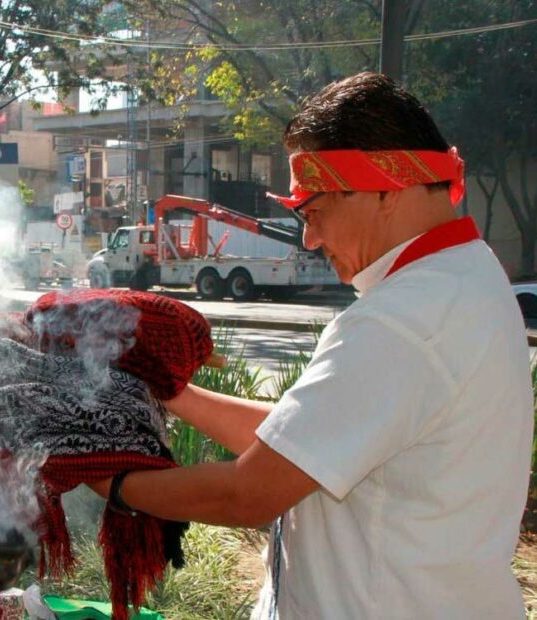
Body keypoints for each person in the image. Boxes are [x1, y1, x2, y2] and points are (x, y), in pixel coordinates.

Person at [90, 72, 533, 618]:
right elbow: (301, 440)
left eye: (314, 210)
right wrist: (175, 392)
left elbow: (249, 492)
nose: (310, 239)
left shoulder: (398, 322)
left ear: (382, 188)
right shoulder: (469, 276)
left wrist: (111, 483)